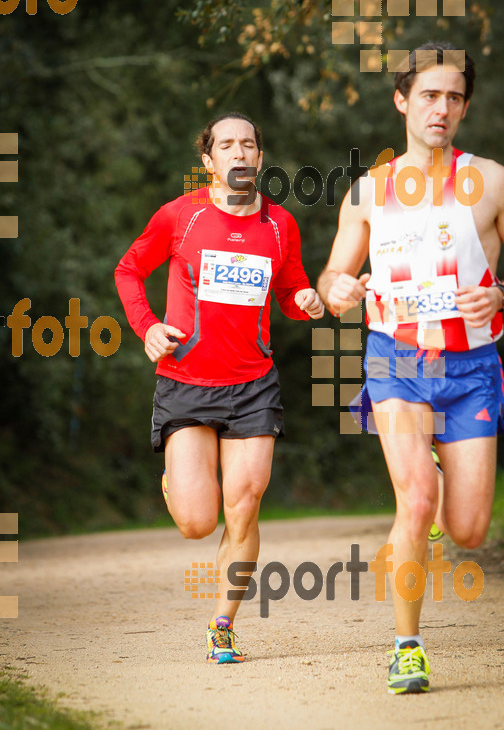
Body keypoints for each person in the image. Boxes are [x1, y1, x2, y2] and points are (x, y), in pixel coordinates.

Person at [317, 42, 504, 694]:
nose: (441, 108)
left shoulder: (490, 182)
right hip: (397, 362)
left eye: (453, 98)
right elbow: (332, 274)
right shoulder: (367, 192)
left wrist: (502, 292)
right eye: (429, 95)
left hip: (469, 368)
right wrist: (338, 290)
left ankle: (441, 475)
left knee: (465, 529)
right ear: (401, 99)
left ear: (464, 107)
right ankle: (406, 646)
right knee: (415, 501)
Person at [115, 113, 323, 663]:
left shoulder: (280, 225)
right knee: (196, 523)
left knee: (246, 505)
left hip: (253, 384)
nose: (238, 153)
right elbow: (128, 270)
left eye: (247, 144)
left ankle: (223, 624)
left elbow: (290, 287)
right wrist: (147, 327)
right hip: (185, 382)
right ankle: (179, 487)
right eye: (226, 145)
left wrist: (305, 301)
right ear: (208, 160)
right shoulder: (179, 217)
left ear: (259, 157)